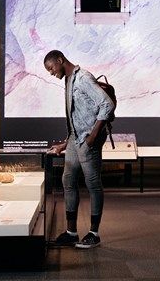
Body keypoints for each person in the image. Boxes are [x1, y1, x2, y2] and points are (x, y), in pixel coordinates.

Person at [43, 49, 115, 249]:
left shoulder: (83, 78)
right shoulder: (68, 80)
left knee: (93, 184)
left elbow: (107, 105)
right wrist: (66, 143)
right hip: (75, 139)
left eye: (51, 68)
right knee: (68, 180)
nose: (50, 73)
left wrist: (92, 137)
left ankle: (94, 234)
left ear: (60, 60)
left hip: (87, 140)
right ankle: (71, 232)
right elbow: (78, 117)